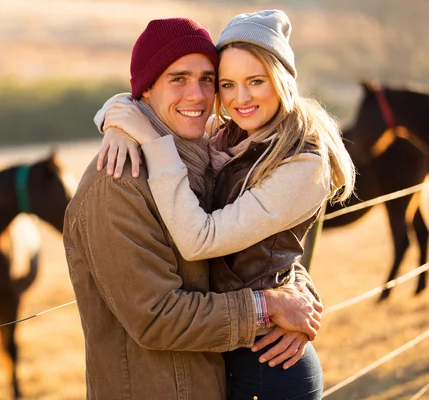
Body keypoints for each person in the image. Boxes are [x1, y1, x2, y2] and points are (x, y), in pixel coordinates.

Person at [95, 9, 356, 400]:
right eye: (228, 84)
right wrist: (116, 119)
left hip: (269, 367)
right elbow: (149, 93)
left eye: (256, 81)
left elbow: (202, 241)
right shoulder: (227, 135)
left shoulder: (302, 161)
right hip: (229, 352)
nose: (241, 98)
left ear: (283, 79)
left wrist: (153, 143)